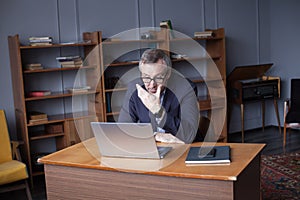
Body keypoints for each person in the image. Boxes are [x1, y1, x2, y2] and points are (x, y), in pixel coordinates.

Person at [118, 49, 199, 144]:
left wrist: (159, 112)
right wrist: (155, 136)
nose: (152, 85)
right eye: (146, 77)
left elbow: (189, 135)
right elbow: (123, 130)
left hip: (179, 149)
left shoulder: (186, 88)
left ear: (168, 74)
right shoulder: (135, 89)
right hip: (149, 148)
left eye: (158, 77)